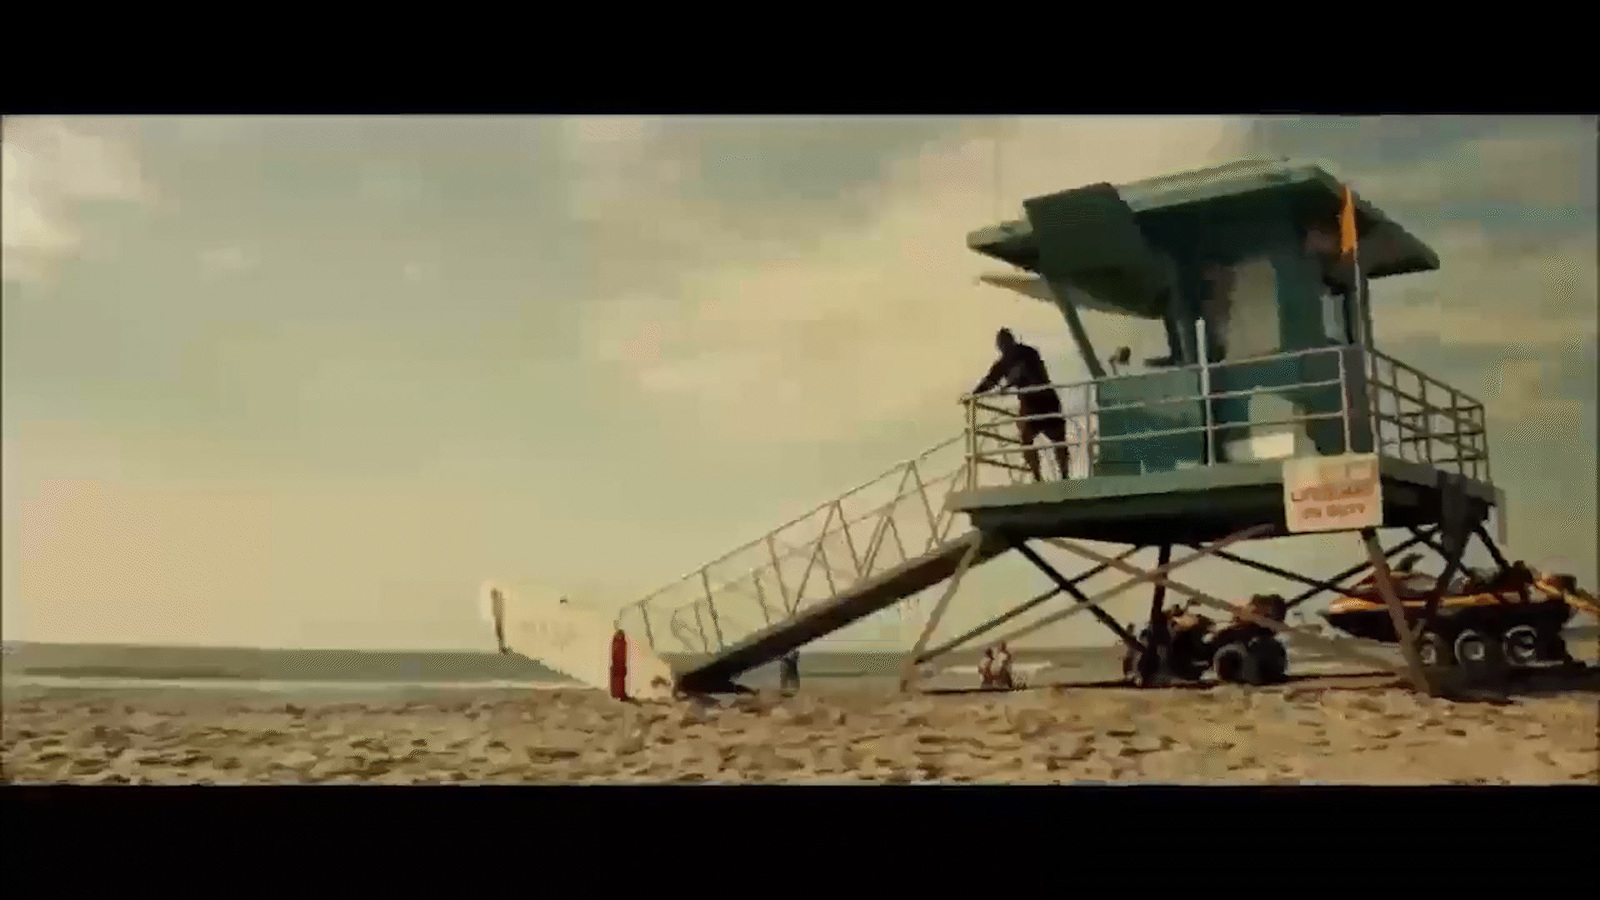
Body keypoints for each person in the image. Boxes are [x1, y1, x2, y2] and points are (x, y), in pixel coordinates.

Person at [969, 328, 1071, 482]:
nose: (1004, 347)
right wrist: (974, 394)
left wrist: (1007, 385)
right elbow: (990, 380)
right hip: (1033, 403)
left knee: (1056, 439)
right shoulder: (1004, 363)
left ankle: (1063, 475)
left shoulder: (1027, 353)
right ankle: (1038, 476)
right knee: (1028, 439)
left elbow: (1022, 370)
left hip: (1044, 399)